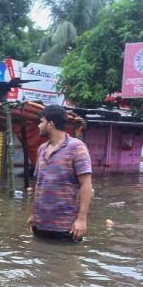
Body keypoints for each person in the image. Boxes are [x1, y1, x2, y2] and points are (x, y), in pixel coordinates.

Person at [28, 104, 92, 242]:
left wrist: (81, 219)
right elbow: (38, 183)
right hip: (40, 224)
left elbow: (86, 184)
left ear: (50, 124)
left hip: (65, 227)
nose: (38, 126)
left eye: (41, 122)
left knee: (66, 261)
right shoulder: (41, 149)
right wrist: (33, 213)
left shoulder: (77, 147)